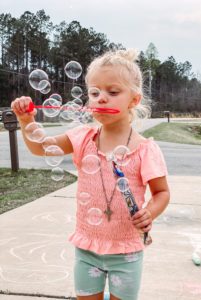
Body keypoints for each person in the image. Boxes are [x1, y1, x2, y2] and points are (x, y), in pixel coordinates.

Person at [11, 49, 170, 300]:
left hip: (126, 251)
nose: (101, 99)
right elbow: (41, 147)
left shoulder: (145, 150)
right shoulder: (83, 137)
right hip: (87, 249)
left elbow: (161, 192)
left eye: (113, 92)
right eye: (95, 93)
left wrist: (150, 212)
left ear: (134, 100)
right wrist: (25, 121)